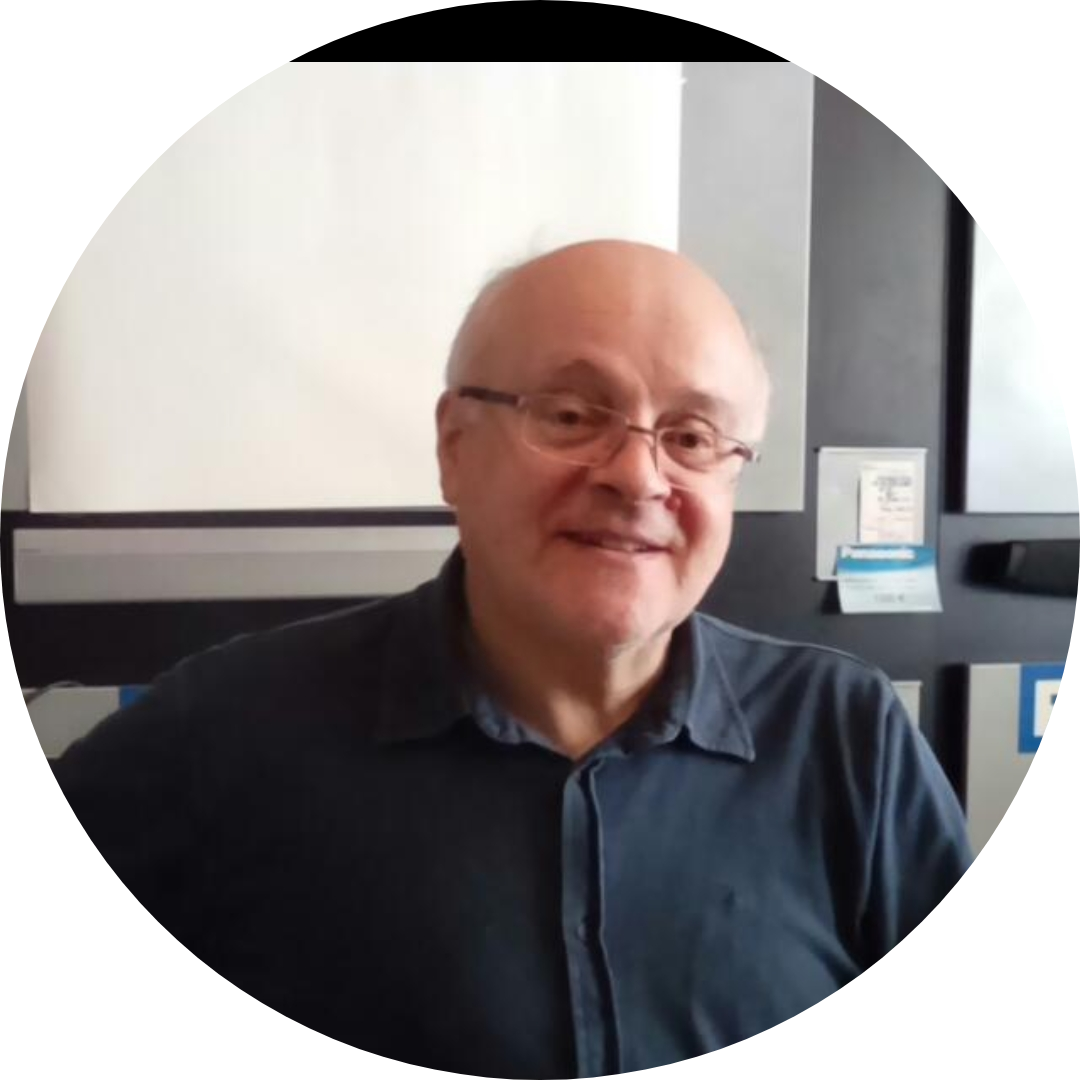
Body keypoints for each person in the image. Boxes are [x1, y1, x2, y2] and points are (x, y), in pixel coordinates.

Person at [50, 239, 972, 1074]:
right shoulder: (230, 727)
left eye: (692, 437)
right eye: (571, 414)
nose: (638, 476)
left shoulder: (847, 737)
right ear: (455, 447)